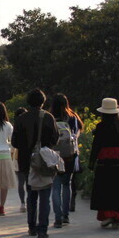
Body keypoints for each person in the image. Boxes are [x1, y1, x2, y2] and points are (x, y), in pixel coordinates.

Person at [11, 89, 59, 238]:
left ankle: (32, 227)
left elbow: (14, 142)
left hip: (26, 162)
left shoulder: (21, 119)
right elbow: (55, 138)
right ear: (43, 101)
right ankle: (43, 229)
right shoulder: (49, 117)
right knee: (45, 195)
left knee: (31, 194)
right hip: (44, 162)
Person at [88, 98, 119, 229]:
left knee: (105, 188)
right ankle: (118, 216)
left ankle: (108, 215)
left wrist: (91, 162)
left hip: (105, 161)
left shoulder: (100, 126)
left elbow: (96, 146)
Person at [49, 93, 83, 229]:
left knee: (55, 186)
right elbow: (75, 133)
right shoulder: (72, 117)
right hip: (69, 155)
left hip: (54, 155)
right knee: (67, 184)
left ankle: (57, 218)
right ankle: (65, 216)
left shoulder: (50, 118)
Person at [12, 106, 28, 212]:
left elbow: (13, 144)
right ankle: (30, 201)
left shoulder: (15, 128)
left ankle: (23, 203)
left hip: (17, 157)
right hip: (29, 157)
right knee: (29, 182)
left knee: (21, 182)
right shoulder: (30, 127)